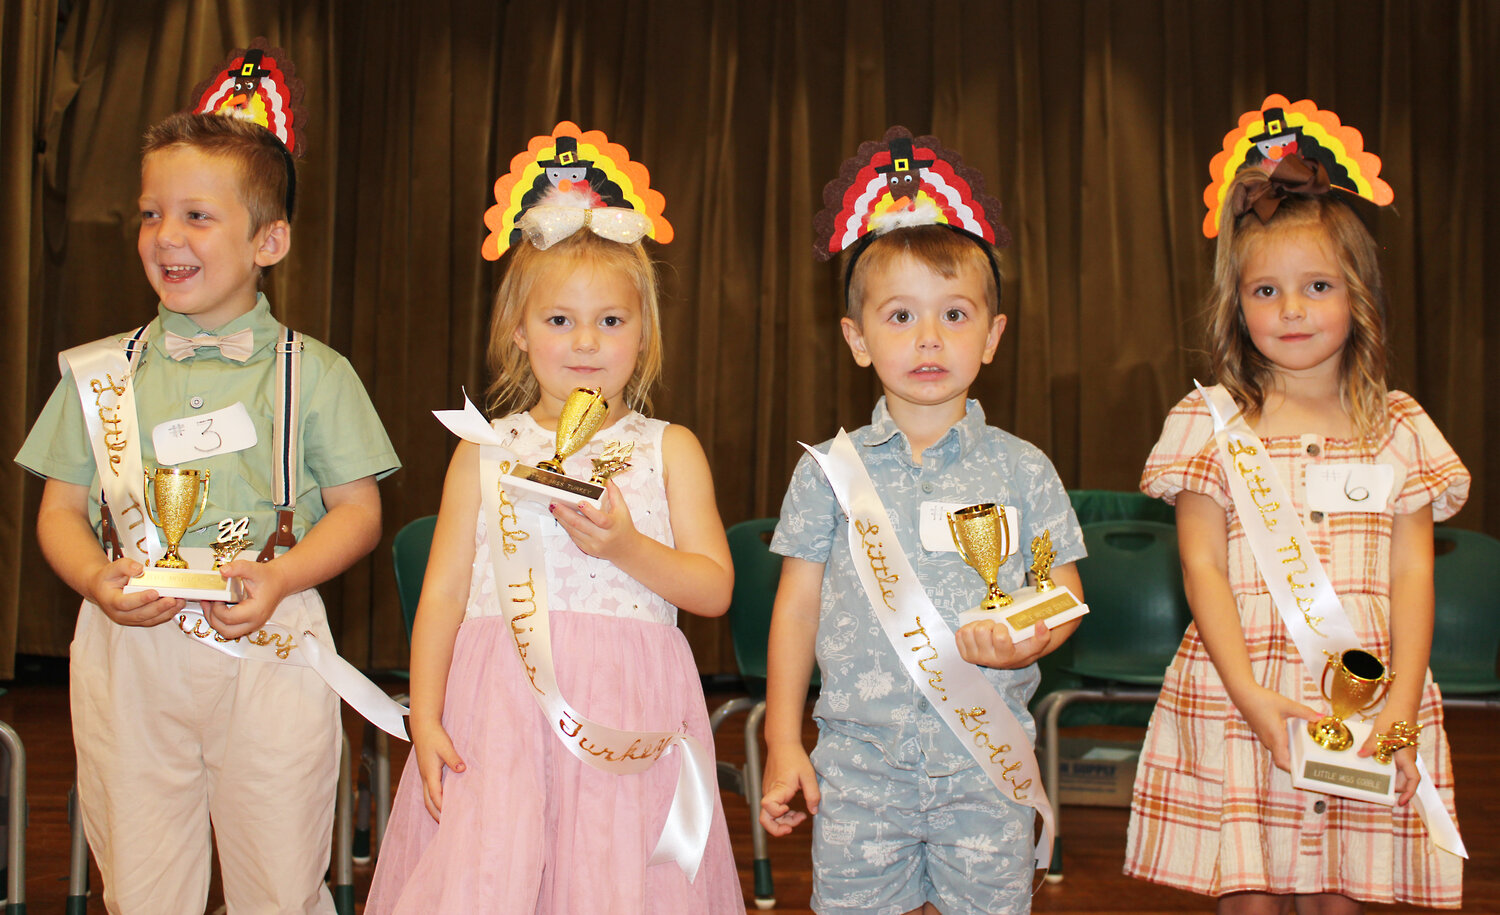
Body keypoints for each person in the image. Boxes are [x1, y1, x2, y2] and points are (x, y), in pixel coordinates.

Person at [14, 61, 400, 913]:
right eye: (151, 213)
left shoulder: (319, 374)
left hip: (270, 636)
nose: (165, 235)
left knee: (276, 876)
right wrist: (91, 578)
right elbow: (58, 513)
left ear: (269, 241)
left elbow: (358, 513)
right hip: (128, 648)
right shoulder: (99, 374)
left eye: (196, 215)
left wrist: (283, 576)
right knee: (142, 882)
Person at [366, 123, 742, 914]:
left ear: (643, 340)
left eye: (611, 321)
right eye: (559, 321)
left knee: (615, 886)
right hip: (496, 711)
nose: (584, 343)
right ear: (518, 332)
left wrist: (631, 547)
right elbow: (441, 595)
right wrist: (425, 716)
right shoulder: (482, 449)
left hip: (627, 711)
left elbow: (711, 589)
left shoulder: (669, 449)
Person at [1126, 101, 1467, 912]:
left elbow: (1414, 571)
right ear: (1235, 303)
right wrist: (1248, 692)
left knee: (1339, 894)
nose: (1290, 309)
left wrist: (1399, 702)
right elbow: (1200, 562)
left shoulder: (1401, 427)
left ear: (1359, 296)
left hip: (1371, 692)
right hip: (1244, 692)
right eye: (1266, 290)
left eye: (1317, 287)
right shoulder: (1207, 425)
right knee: (1248, 894)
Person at [760, 127, 1087, 915]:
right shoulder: (827, 471)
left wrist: (1031, 632)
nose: (929, 337)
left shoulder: (1023, 469)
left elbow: (1063, 589)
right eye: (900, 315)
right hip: (860, 768)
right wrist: (779, 739)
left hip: (986, 767)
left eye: (954, 314)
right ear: (857, 339)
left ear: (993, 336)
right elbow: (795, 609)